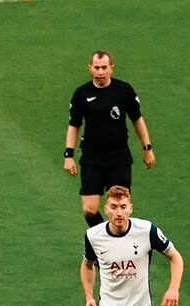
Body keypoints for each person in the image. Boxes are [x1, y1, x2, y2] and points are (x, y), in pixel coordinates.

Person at [64, 50, 156, 227]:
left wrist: (147, 148)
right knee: (89, 210)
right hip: (92, 158)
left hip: (118, 158)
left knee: (119, 211)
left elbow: (137, 120)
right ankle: (104, 241)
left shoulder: (124, 90)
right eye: (96, 67)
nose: (100, 72)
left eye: (104, 67)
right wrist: (68, 155)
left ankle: (118, 248)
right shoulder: (81, 94)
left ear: (111, 68)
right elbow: (74, 125)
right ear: (90, 68)